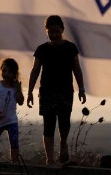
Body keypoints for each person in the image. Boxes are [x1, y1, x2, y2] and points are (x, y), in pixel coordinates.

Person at [26, 15, 86, 165]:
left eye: (56, 32)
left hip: (65, 91)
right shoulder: (42, 50)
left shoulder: (70, 48)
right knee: (49, 124)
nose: (53, 35)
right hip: (47, 92)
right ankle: (50, 159)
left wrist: (82, 89)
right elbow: (35, 71)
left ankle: (63, 144)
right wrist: (29, 93)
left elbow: (77, 70)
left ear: (62, 30)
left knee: (64, 122)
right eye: (50, 32)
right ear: (46, 31)